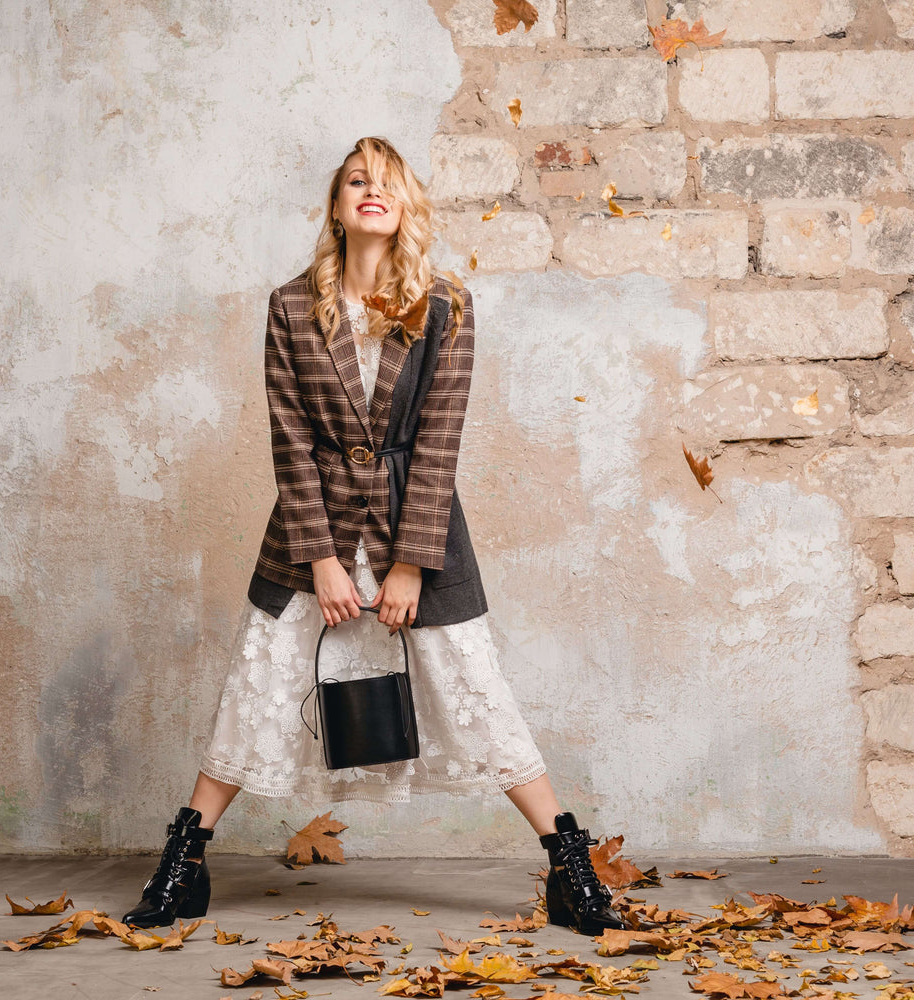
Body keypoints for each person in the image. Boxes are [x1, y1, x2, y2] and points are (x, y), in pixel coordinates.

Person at [122, 136, 628, 937]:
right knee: (257, 684)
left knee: (477, 690)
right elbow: (289, 440)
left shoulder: (447, 305)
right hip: (309, 529)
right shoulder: (290, 307)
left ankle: (568, 866)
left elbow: (439, 442)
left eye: (387, 183)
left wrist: (411, 564)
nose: (370, 191)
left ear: (407, 207)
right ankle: (185, 863)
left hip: (415, 528)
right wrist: (320, 557)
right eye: (356, 180)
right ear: (335, 204)